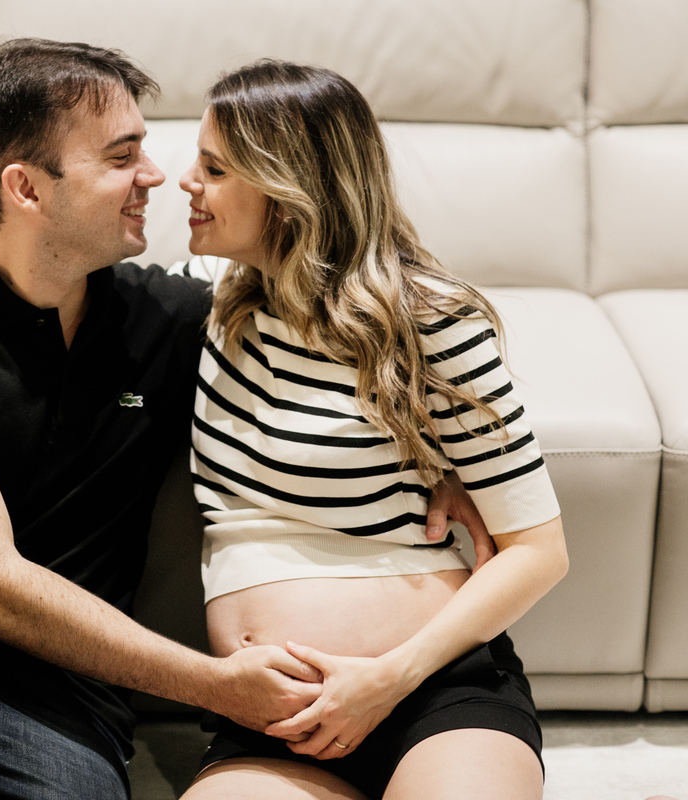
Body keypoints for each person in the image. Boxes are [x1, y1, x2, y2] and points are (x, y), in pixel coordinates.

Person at [0, 39, 489, 800]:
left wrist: (444, 453)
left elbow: (367, 304)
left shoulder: (175, 318)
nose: (155, 176)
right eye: (121, 157)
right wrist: (216, 686)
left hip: (69, 702)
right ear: (25, 188)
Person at [168, 61, 569, 800]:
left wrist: (385, 679)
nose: (185, 181)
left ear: (289, 191)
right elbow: (51, 280)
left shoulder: (430, 322)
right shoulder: (213, 302)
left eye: (215, 168)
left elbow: (538, 552)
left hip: (434, 691)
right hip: (274, 719)